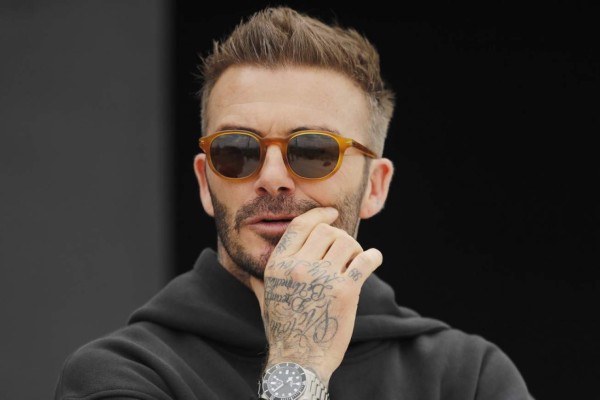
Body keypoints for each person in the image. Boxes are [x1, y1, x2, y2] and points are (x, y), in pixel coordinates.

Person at [54, 6, 534, 400]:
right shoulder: (121, 374)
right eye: (237, 151)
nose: (272, 178)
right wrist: (298, 366)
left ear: (375, 186)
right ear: (205, 182)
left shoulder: (467, 377)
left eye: (313, 151)